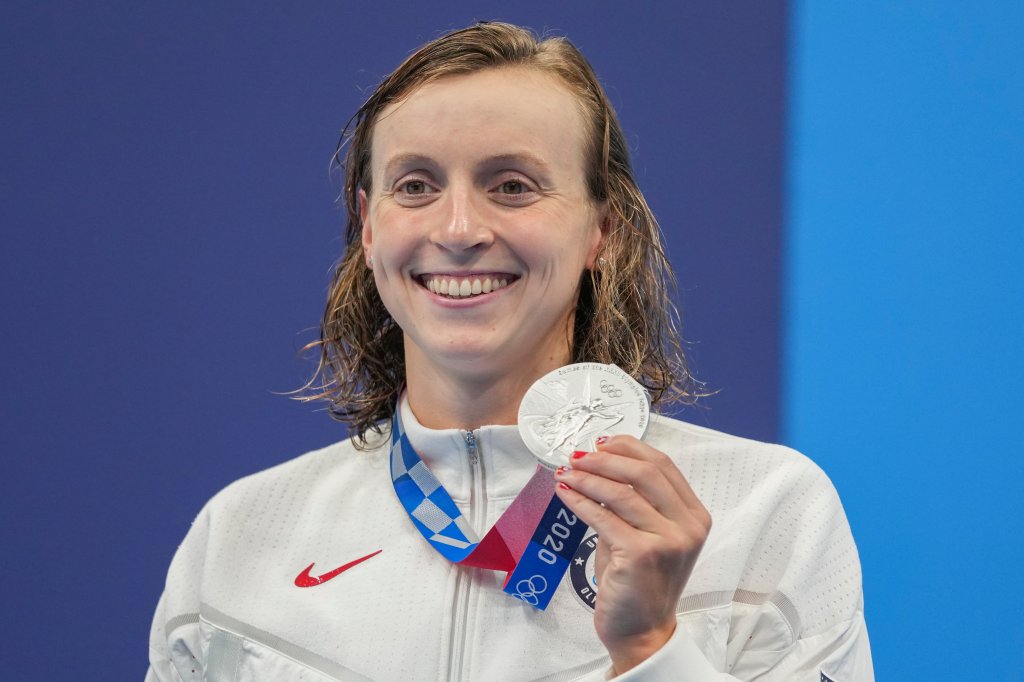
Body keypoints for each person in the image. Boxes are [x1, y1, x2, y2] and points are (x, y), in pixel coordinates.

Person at [146, 22, 873, 681]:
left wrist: (653, 650)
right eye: (416, 185)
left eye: (513, 186)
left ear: (603, 230)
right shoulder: (240, 537)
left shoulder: (765, 512)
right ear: (369, 228)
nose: (459, 227)